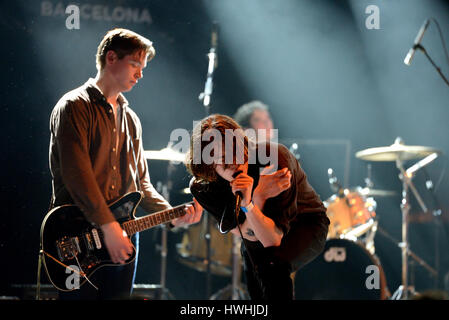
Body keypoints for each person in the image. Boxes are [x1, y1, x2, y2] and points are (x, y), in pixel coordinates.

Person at [48, 28, 203, 300]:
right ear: (111, 58)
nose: (140, 74)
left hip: (124, 234)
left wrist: (171, 215)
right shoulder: (73, 105)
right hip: (77, 234)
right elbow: (77, 176)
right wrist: (108, 227)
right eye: (134, 64)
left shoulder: (131, 119)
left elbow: (141, 182)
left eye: (142, 67)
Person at [185, 114, 329, 300]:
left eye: (235, 151)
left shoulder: (274, 159)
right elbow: (243, 231)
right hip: (254, 224)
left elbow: (272, 239)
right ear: (208, 165)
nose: (233, 163)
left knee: (272, 264)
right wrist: (256, 197)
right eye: (222, 157)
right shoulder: (203, 186)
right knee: (255, 276)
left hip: (305, 222)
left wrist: (249, 204)